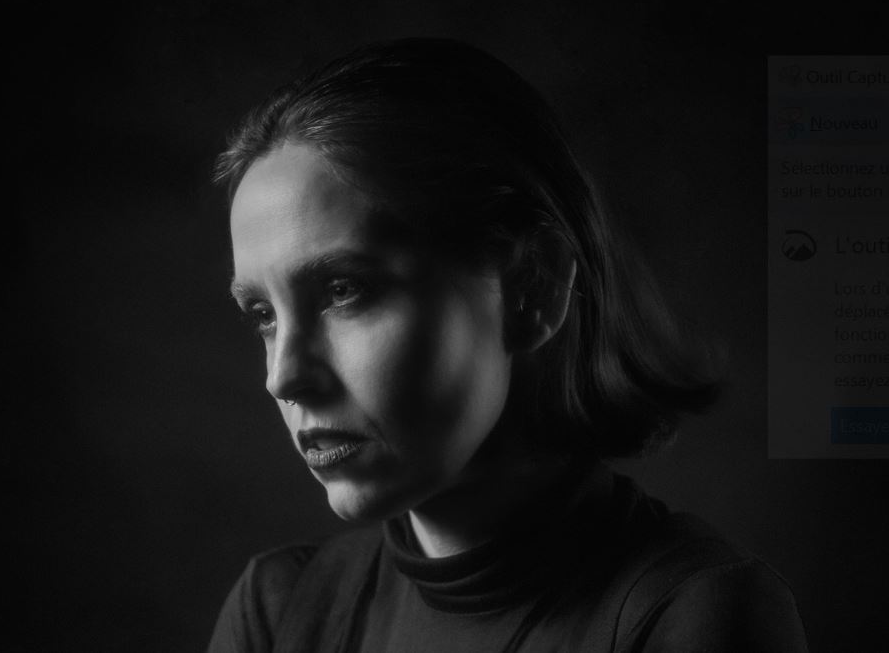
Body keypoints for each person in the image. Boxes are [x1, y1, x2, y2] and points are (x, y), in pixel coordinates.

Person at [207, 38, 808, 652]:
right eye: (263, 315)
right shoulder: (278, 611)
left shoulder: (695, 615)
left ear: (532, 288)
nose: (283, 377)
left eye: (344, 290)